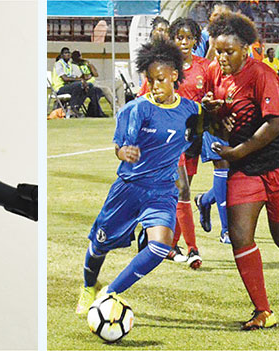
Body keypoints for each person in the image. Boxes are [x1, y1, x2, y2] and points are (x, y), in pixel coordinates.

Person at [202, 12, 279, 330]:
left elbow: (276, 123)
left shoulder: (261, 74)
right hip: (245, 169)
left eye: (228, 51)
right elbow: (214, 120)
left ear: (247, 48)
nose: (222, 57)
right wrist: (210, 112)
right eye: (217, 51)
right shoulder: (213, 73)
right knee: (239, 236)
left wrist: (237, 151)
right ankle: (263, 311)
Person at [75, 39, 202, 314]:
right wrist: (124, 153)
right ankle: (88, 287)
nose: (154, 86)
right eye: (150, 80)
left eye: (160, 80)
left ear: (174, 76)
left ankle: (109, 293)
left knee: (159, 246)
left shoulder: (191, 111)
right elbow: (119, 148)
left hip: (162, 191)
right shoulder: (135, 109)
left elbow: (205, 131)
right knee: (98, 245)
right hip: (128, 189)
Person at [135, 18, 210, 268]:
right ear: (173, 39)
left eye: (189, 38)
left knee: (179, 195)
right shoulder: (163, 66)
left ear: (196, 40)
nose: (184, 42)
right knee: (182, 190)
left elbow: (210, 98)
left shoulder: (205, 68)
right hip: (168, 139)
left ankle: (166, 244)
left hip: (195, 139)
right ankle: (192, 248)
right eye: (180, 37)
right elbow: (143, 96)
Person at [52, 47, 106, 117]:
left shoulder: (69, 65)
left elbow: (74, 76)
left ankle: (95, 112)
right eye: (65, 53)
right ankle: (73, 108)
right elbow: (65, 78)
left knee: (95, 89)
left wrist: (83, 81)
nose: (68, 54)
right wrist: (81, 80)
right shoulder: (58, 64)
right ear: (61, 55)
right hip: (60, 88)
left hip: (70, 87)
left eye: (69, 53)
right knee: (79, 85)